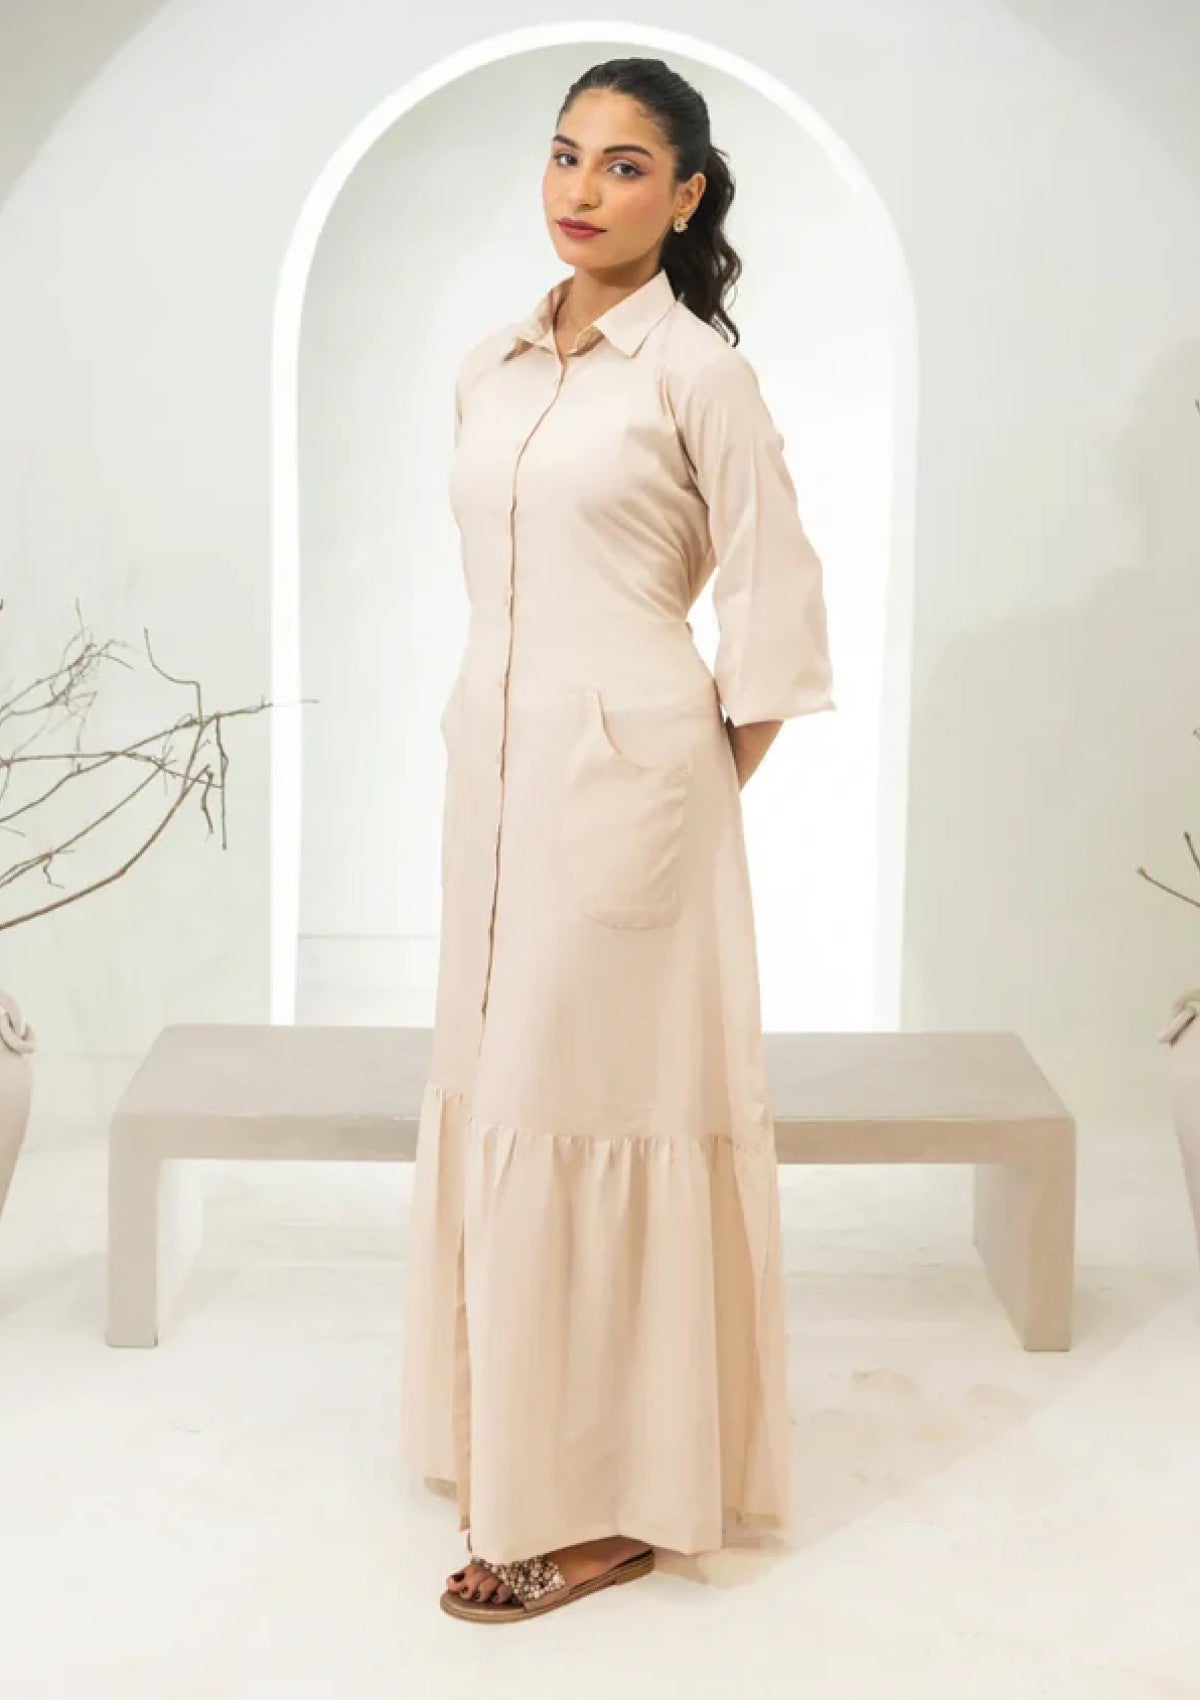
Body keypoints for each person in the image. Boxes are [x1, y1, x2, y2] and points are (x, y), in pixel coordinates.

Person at [399, 55, 836, 1624]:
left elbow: (777, 617)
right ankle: (511, 1439)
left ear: (686, 195)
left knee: (594, 1109)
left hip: (631, 799)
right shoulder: (492, 366)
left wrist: (679, 790)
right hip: (493, 785)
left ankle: (608, 1501)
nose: (583, 190)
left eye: (626, 165)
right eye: (565, 155)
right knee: (502, 1096)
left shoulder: (698, 376)